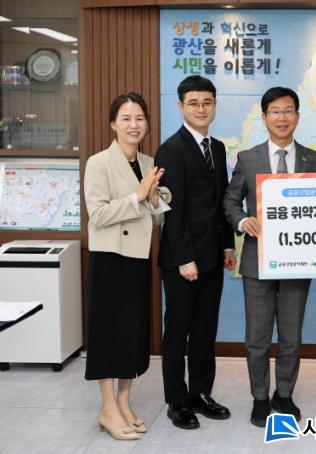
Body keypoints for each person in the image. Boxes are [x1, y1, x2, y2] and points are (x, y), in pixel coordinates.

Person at [223, 87, 316, 427]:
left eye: (289, 111)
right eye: (275, 112)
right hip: (258, 261)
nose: (283, 118)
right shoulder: (248, 158)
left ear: (298, 116)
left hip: (298, 261)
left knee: (291, 337)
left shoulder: (315, 159)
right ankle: (259, 397)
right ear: (264, 117)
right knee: (257, 338)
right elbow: (230, 201)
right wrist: (243, 221)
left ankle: (284, 394)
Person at [84, 92, 170, 440]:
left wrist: (153, 197)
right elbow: (98, 214)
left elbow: (159, 215)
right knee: (108, 335)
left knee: (132, 334)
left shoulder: (149, 162)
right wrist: (139, 196)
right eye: (126, 118)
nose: (134, 125)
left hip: (137, 258)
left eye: (139, 118)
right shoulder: (99, 163)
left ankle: (123, 402)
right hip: (109, 259)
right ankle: (107, 408)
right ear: (113, 124)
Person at [155, 75, 237, 430]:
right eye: (193, 103)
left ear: (214, 105)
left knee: (205, 332)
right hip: (182, 261)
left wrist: (228, 244)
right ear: (180, 106)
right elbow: (171, 211)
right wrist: (185, 258)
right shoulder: (171, 149)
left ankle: (200, 393)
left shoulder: (217, 147)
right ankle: (176, 401)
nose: (201, 108)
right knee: (177, 333)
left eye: (207, 102)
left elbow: (221, 201)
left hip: (213, 257)